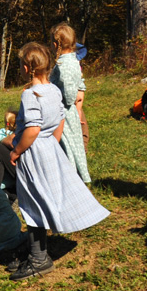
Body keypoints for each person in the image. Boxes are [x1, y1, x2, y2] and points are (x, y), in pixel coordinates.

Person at [7, 42, 109, 281]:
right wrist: (51, 143)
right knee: (42, 199)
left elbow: (32, 129)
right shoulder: (53, 89)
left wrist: (16, 152)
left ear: (26, 68)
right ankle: (36, 251)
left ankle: (39, 258)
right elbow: (60, 120)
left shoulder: (31, 94)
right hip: (49, 148)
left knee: (32, 203)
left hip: (33, 152)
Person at [50, 24, 91, 184]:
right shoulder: (73, 60)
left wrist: (56, 96)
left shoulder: (64, 65)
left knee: (67, 145)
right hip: (70, 111)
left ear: (55, 45)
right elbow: (79, 84)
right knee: (74, 143)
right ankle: (75, 177)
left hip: (64, 112)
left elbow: (68, 94)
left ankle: (71, 178)